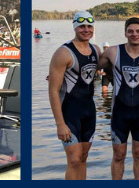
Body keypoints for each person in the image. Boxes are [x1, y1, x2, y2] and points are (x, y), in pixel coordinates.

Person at [97, 18, 139, 179]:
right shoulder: (113, 52)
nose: (135, 34)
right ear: (125, 33)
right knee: (119, 155)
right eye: (131, 31)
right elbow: (88, 67)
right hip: (119, 113)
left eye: (138, 31)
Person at [48, 11, 99, 179]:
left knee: (83, 158)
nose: (86, 30)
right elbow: (53, 90)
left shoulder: (96, 50)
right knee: (74, 160)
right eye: (82, 26)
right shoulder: (63, 53)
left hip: (89, 112)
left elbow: (113, 66)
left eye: (89, 26)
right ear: (75, 27)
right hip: (69, 112)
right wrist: (60, 124)